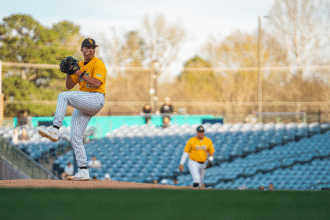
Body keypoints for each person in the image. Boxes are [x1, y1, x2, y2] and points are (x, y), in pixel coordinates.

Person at [37, 38, 107, 181]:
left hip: (96, 98)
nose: (90, 50)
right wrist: (70, 71)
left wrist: (78, 72)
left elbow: (96, 83)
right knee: (75, 136)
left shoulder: (98, 64)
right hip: (84, 101)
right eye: (87, 47)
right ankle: (83, 171)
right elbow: (69, 86)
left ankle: (55, 129)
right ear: (82, 50)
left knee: (63, 96)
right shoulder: (79, 65)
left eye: (93, 47)